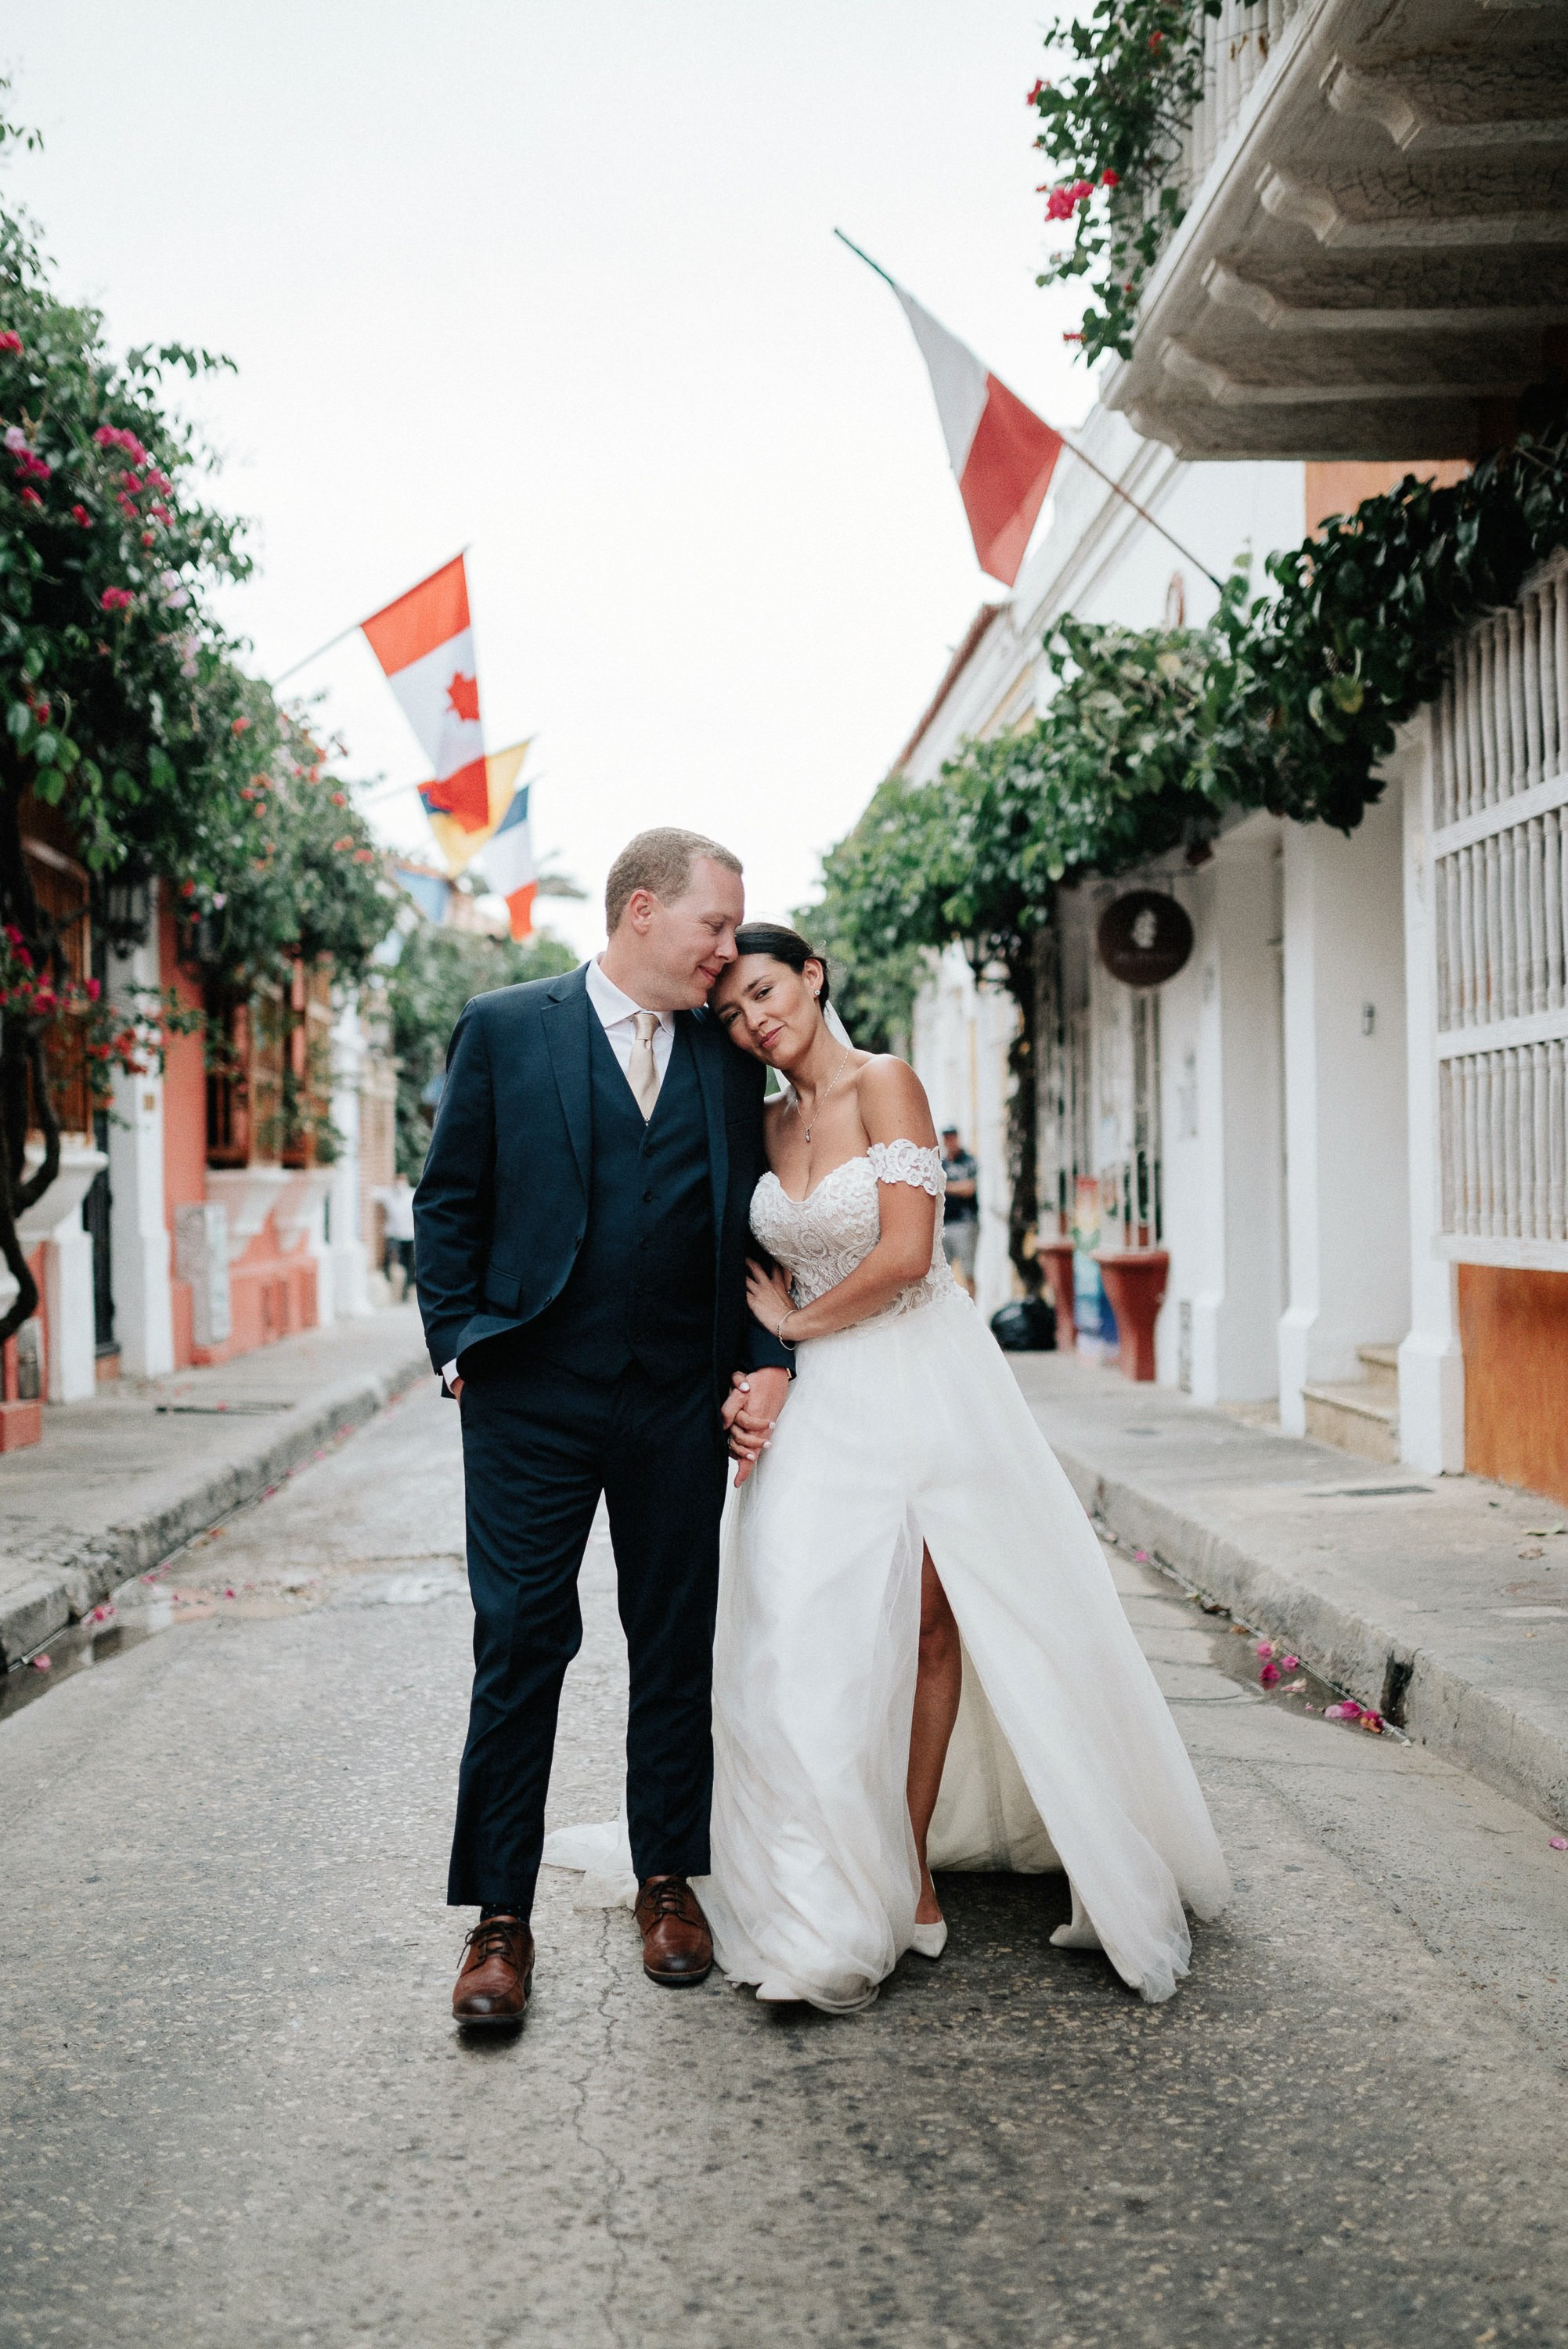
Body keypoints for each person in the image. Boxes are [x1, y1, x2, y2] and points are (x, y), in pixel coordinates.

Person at [692, 923, 1227, 2011]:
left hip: (921, 1380)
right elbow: (730, 1263)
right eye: (734, 1014)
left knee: (935, 1622)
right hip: (817, 1410)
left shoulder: (886, 1082)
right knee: (792, 1624)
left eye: (763, 993)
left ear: (810, 976)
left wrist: (791, 1330)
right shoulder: (755, 1122)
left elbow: (902, 1253)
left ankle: (909, 1867)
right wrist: (757, 1363)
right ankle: (812, 1891)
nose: (756, 1022)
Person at [413, 830, 792, 2027]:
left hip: (677, 1396)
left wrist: (765, 1363)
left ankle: (667, 1882)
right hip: (530, 1394)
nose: (727, 954)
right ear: (640, 912)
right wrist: (459, 1344)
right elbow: (448, 1197)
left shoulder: (726, 1063)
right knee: (520, 1641)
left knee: (673, 1641)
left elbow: (756, 1235)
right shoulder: (505, 1025)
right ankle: (498, 1922)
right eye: (713, 929)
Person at [938, 1126, 979, 1296]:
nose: (950, 1142)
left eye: (952, 1138)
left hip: (965, 1222)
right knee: (942, 1271)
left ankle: (973, 1307)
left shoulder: (967, 1161)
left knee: (967, 1269)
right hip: (945, 1223)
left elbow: (968, 1188)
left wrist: (945, 1186)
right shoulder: (943, 1163)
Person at [371, 1176, 416, 1298]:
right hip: (393, 1235)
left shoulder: (412, 1194)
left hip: (409, 1235)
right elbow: (373, 1193)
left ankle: (406, 1289)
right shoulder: (389, 1194)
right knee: (391, 1260)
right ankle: (392, 1285)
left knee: (409, 1263)